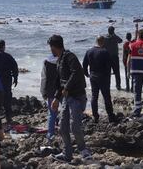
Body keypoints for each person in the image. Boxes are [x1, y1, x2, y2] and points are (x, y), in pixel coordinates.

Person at [48, 35, 91, 163]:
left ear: (54, 47)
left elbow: (77, 72)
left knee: (75, 126)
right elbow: (59, 83)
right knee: (62, 127)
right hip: (67, 98)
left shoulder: (70, 56)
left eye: (51, 47)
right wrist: (56, 98)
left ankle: (84, 151)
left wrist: (66, 87)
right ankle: (67, 154)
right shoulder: (60, 60)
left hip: (77, 96)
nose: (50, 50)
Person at [83, 36, 116, 123]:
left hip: (93, 77)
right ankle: (110, 116)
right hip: (104, 77)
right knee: (106, 97)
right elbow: (110, 65)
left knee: (94, 96)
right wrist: (113, 73)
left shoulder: (89, 51)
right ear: (103, 42)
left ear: (96, 41)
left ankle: (95, 116)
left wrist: (87, 75)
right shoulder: (104, 51)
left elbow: (84, 65)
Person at [0, 40, 19, 124]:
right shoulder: (8, 56)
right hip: (6, 80)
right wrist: (15, 78)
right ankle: (8, 117)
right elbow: (15, 67)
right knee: (7, 99)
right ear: (3, 46)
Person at [40, 54, 59, 140]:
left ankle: (50, 134)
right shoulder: (63, 60)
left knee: (52, 113)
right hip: (63, 90)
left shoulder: (46, 61)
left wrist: (43, 91)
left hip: (51, 90)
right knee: (66, 111)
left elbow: (43, 78)